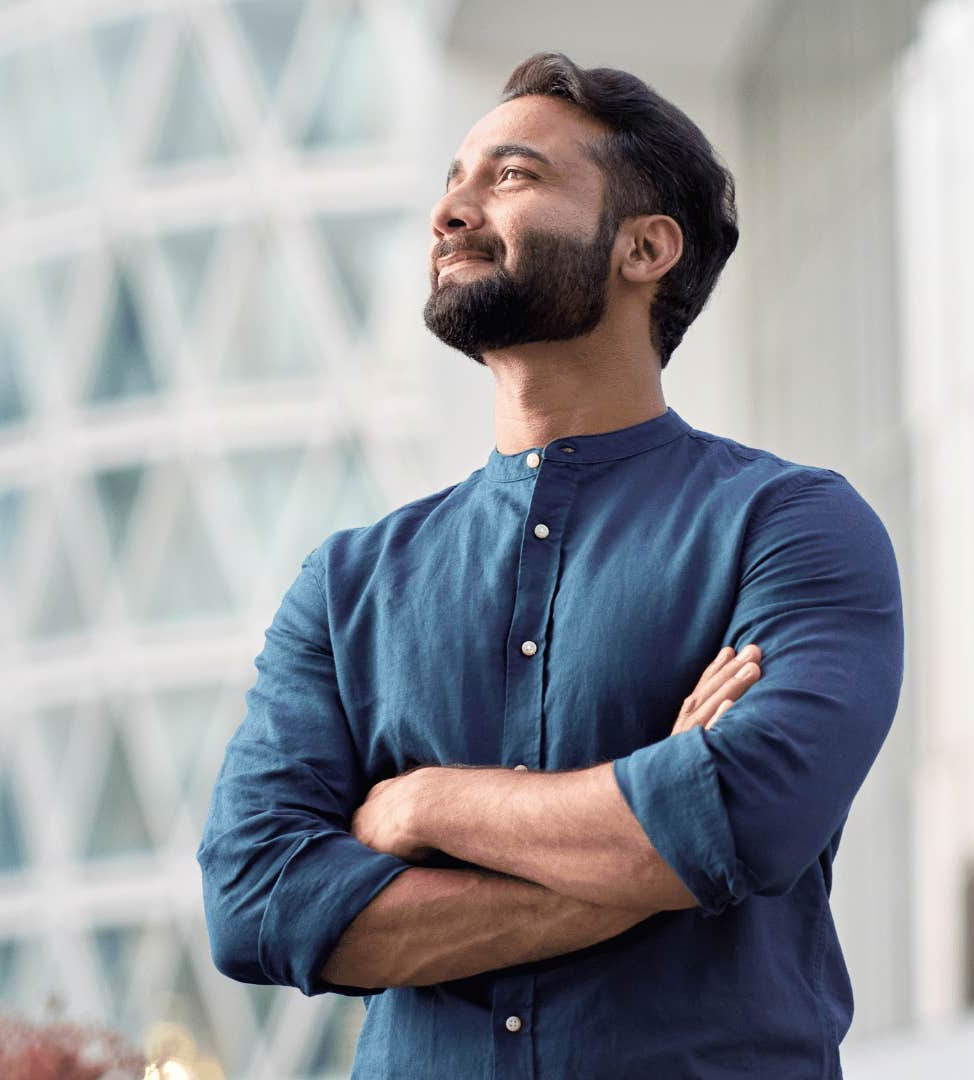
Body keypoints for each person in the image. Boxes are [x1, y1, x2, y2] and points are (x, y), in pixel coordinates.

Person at [195, 49, 904, 1078]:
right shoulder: (349, 586)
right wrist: (647, 833)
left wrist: (423, 805)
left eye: (513, 177)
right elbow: (258, 905)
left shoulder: (791, 526)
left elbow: (750, 810)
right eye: (453, 180)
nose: (453, 210)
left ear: (645, 248)